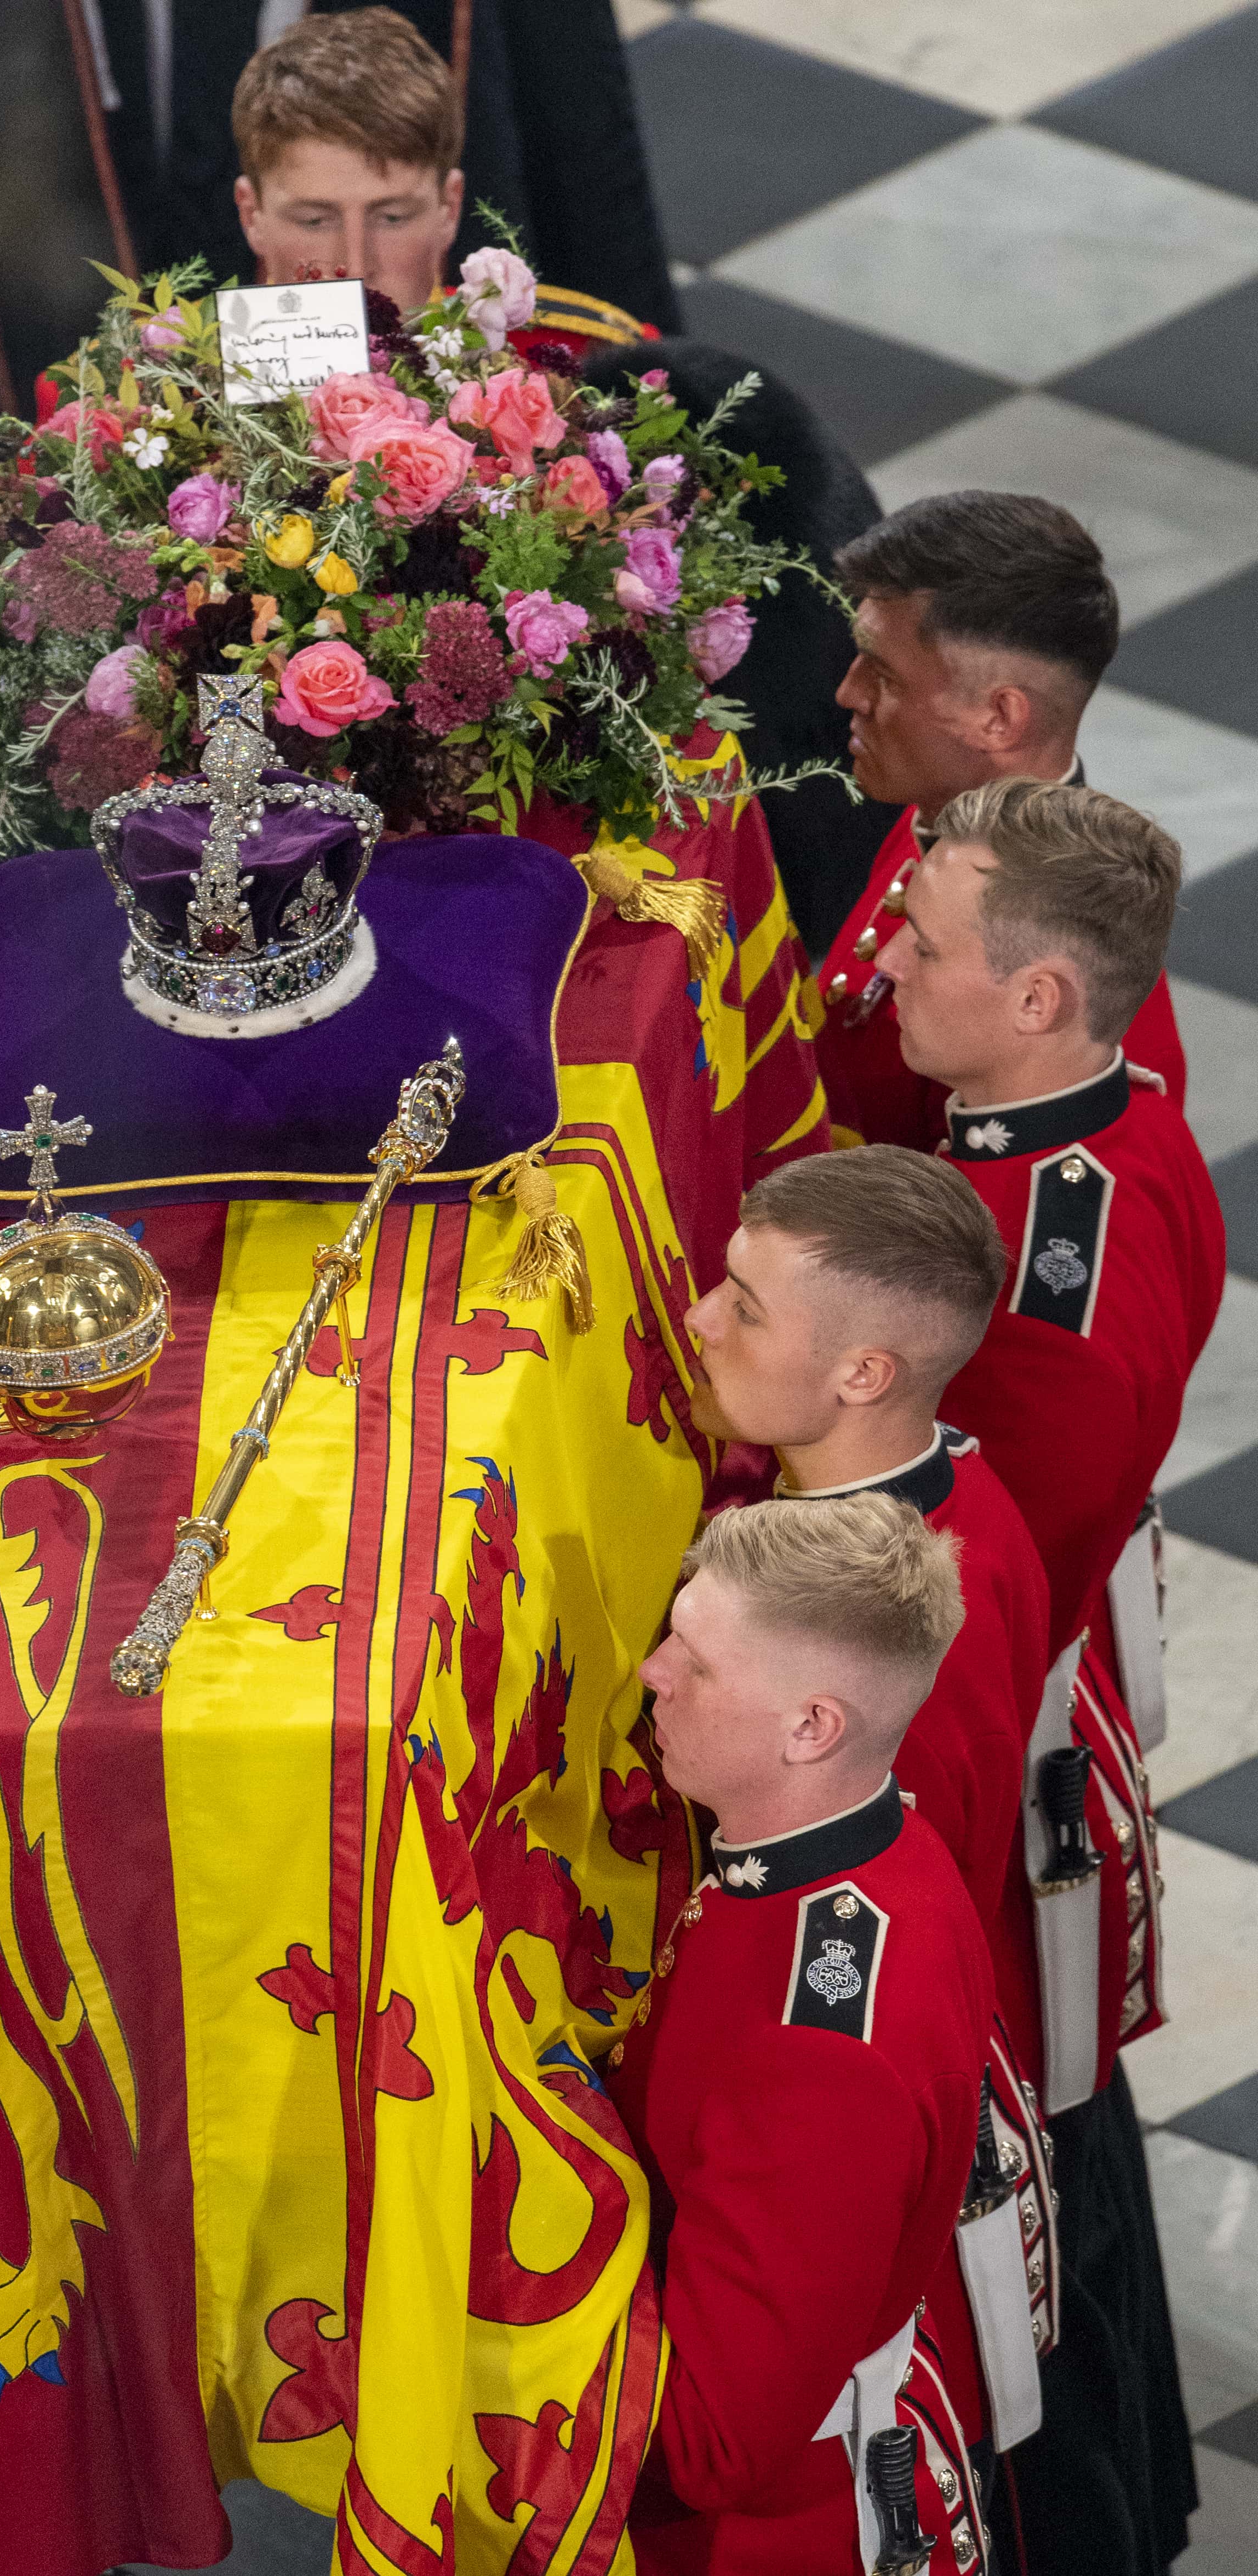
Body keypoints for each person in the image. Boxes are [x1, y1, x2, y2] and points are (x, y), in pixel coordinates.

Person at [880, 775, 1222, 2575]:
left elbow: (970, 1587)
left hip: (982, 1798)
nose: (888, 974)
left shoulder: (1044, 1262)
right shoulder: (1087, 1140)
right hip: (1004, 1744)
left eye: (922, 948)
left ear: (1035, 999)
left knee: (1010, 2231)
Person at [610, 1495, 996, 2575]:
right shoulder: (856, 1844)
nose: (650, 1672)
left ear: (809, 1725)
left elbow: (709, 2441)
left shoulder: (816, 2051)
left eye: (692, 1657)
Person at [687, 1146, 1047, 1937]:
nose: (699, 1318)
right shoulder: (948, 1481)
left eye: (745, 1310)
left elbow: (879, 1899)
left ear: (863, 1376)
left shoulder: (878, 1642)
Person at [818, 493, 1186, 1147]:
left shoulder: (1065, 1029)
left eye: (882, 673)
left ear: (998, 719)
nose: (848, 693)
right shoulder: (943, 821)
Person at [231, 9, 649, 352]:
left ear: (449, 209)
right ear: (251, 216)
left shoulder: (566, 364)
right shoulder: (174, 387)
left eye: (392, 218)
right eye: (314, 221)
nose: (356, 269)